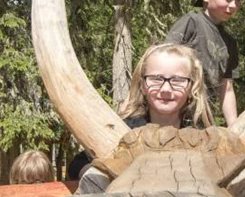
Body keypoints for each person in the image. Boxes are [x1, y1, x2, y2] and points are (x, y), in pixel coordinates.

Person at [66, 43, 213, 180]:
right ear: (142, 85)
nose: (166, 89)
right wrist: (102, 178)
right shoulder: (124, 131)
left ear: (191, 87)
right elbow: (77, 165)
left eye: (177, 80)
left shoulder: (203, 136)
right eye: (156, 78)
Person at [166, 0, 244, 125]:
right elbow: (164, 60)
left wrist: (234, 126)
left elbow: (227, 88)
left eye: (238, 0)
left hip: (203, 120)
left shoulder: (229, 42)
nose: (233, 6)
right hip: (172, 115)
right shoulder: (191, 22)